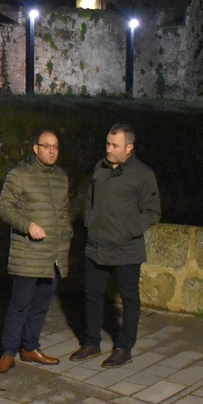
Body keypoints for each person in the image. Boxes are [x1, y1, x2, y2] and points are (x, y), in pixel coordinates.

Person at [71, 124, 161, 368]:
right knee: (92, 295)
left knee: (129, 299)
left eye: (115, 146)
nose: (108, 149)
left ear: (129, 148)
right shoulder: (100, 167)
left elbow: (152, 212)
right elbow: (90, 198)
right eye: (108, 144)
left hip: (126, 249)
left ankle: (124, 348)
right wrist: (89, 221)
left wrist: (128, 232)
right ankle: (91, 342)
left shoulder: (142, 174)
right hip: (96, 245)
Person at [0, 130, 72, 374]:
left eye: (56, 147)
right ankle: (8, 352)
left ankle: (30, 347)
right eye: (46, 146)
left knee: (41, 305)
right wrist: (28, 225)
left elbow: (64, 211)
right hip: (28, 253)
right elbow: (4, 206)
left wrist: (66, 231)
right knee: (19, 305)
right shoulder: (20, 174)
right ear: (35, 148)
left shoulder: (60, 177)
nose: (52, 151)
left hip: (53, 255)